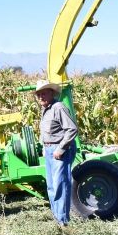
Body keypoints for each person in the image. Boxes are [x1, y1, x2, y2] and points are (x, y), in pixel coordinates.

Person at [34, 79, 79, 227]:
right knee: (51, 185)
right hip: (49, 150)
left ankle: (63, 221)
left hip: (60, 150)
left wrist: (60, 149)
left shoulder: (58, 107)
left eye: (44, 93)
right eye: (38, 94)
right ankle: (57, 217)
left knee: (60, 185)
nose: (41, 96)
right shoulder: (45, 109)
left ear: (52, 93)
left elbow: (71, 129)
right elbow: (46, 131)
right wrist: (43, 146)